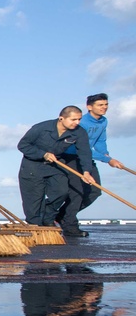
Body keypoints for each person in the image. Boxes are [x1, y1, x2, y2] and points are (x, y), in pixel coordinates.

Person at [56, 93, 124, 237]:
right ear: (89, 107)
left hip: (87, 159)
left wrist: (106, 155)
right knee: (78, 192)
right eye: (100, 105)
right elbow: (82, 148)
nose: (104, 107)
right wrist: (107, 160)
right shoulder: (82, 123)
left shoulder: (103, 121)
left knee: (95, 191)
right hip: (72, 157)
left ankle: (62, 215)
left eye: (106, 104)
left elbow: (100, 141)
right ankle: (69, 225)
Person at [17, 106, 95, 228]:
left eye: (79, 119)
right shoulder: (41, 128)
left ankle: (48, 218)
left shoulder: (79, 132)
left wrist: (86, 172)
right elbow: (22, 145)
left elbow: (84, 152)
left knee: (61, 192)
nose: (77, 122)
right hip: (32, 166)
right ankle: (35, 227)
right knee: (34, 201)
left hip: (55, 165)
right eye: (73, 119)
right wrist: (43, 154)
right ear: (61, 118)